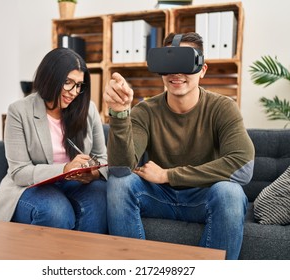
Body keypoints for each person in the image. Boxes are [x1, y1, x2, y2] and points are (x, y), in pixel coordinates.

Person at [103, 32, 255, 259]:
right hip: (158, 198)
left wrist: (168, 175)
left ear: (203, 69)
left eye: (184, 62)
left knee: (230, 193)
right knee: (119, 184)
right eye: (168, 63)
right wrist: (120, 113)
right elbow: (120, 168)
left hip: (203, 198)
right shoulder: (145, 111)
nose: (175, 73)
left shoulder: (222, 107)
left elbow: (242, 166)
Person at [0, 48, 108, 234]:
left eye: (78, 85)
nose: (74, 92)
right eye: (67, 83)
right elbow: (19, 172)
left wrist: (92, 174)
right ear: (50, 77)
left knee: (101, 196)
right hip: (30, 186)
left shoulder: (88, 109)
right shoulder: (19, 111)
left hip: (74, 184)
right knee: (57, 211)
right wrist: (65, 169)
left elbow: (102, 157)